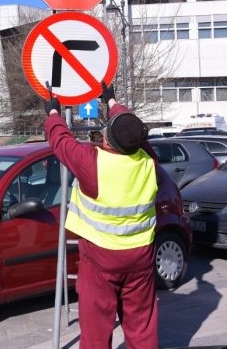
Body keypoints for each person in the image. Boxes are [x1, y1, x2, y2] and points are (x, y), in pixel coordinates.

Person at [43, 82, 158, 349]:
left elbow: (60, 140)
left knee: (96, 330)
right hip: (141, 256)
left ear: (107, 141)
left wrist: (53, 114)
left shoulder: (93, 162)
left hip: (100, 258)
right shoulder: (148, 160)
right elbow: (133, 129)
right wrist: (112, 100)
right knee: (142, 328)